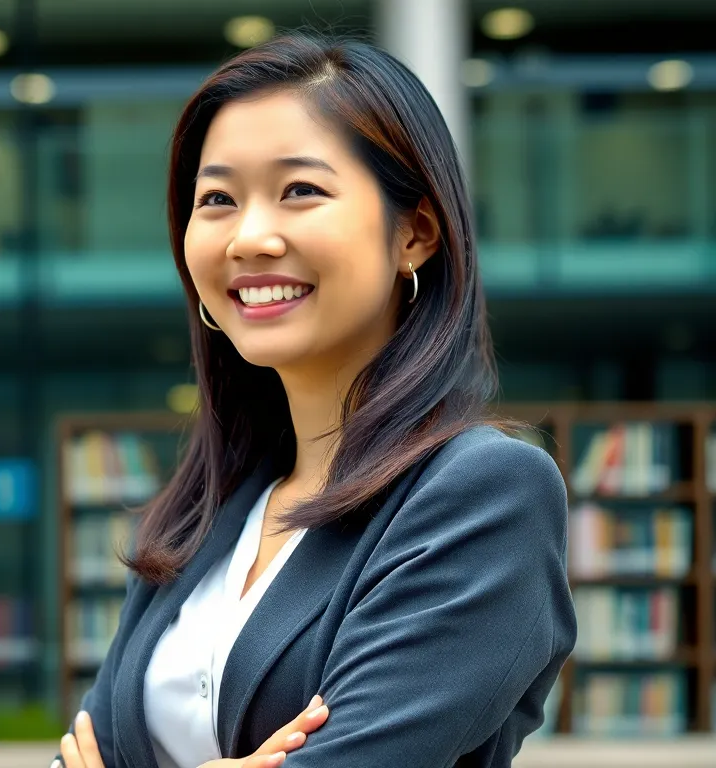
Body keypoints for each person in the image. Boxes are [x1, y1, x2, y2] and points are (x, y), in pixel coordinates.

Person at [54, 34, 575, 768]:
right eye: (217, 200)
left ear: (416, 233)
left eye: (300, 190)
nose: (250, 237)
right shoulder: (206, 511)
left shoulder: (484, 492)